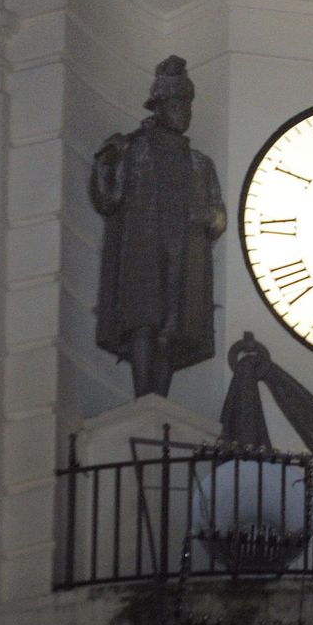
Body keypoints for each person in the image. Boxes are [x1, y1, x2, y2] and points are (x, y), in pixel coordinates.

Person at [91, 56, 226, 397]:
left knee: (174, 328)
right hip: (144, 247)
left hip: (184, 252)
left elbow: (218, 215)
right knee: (143, 321)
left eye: (187, 104)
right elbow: (108, 200)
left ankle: (158, 402)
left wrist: (207, 216)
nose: (184, 111)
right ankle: (143, 398)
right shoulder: (133, 150)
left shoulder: (200, 164)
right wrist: (105, 164)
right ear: (160, 107)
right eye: (177, 103)